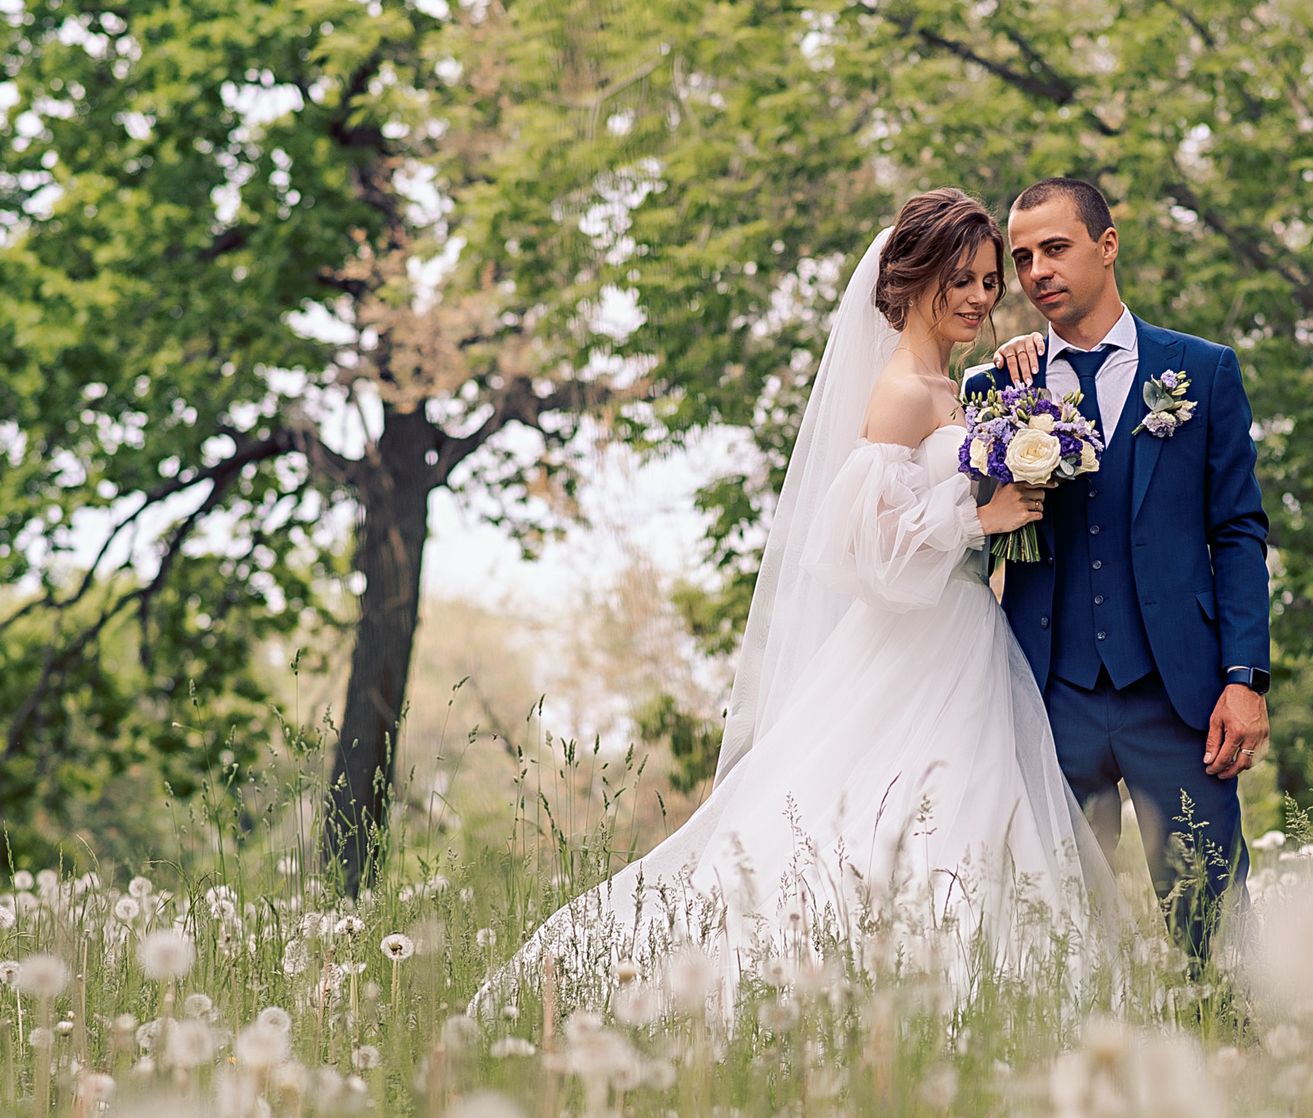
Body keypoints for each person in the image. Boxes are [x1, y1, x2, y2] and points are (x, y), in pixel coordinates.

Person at [521, 191, 1111, 987]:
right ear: (911, 281)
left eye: (986, 281)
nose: (980, 297)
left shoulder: (958, 389)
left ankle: (990, 988)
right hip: (915, 643)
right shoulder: (902, 391)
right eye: (961, 280)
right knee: (889, 818)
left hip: (968, 634)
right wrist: (983, 520)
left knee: (977, 811)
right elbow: (859, 548)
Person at [981, 178, 1271, 972]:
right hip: (1047, 700)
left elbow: (1238, 530)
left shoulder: (1201, 372)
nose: (1037, 269)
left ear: (1107, 246)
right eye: (1023, 257)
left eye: (1056, 248)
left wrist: (1245, 678)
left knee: (1216, 935)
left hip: (1180, 702)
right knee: (1055, 939)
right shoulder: (999, 390)